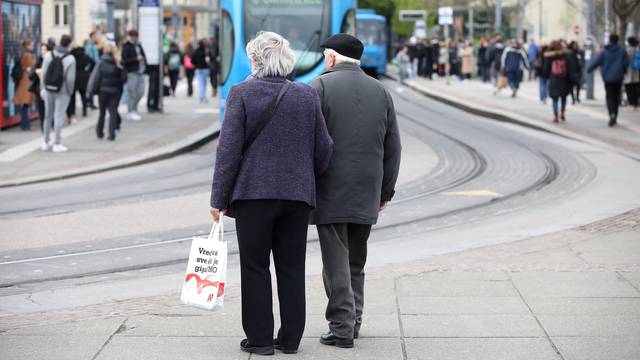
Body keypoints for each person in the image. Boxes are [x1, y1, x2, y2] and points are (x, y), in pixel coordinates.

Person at [209, 31, 333, 356]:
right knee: (292, 268)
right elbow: (325, 149)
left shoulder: (241, 94)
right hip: (296, 197)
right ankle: (290, 339)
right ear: (287, 60)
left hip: (252, 197)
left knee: (255, 267)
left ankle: (261, 340)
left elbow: (228, 152)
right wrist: (304, 176)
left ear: (255, 60)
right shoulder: (306, 95)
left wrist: (218, 199)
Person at [312, 33, 402, 349]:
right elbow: (393, 146)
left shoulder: (320, 87)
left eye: (326, 55)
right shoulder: (381, 92)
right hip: (368, 187)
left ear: (333, 58)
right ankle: (354, 322)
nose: (325, 60)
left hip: (330, 187)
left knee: (335, 261)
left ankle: (341, 327)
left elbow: (312, 143)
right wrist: (386, 191)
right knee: (355, 261)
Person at [41, 34, 76, 153]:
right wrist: (70, 92)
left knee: (48, 115)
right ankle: (57, 143)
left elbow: (44, 73)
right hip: (63, 91)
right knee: (59, 116)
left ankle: (45, 142)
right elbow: (70, 79)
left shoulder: (49, 55)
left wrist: (43, 88)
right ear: (69, 43)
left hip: (49, 89)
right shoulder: (70, 58)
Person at [587, 33, 630, 126]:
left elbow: (596, 62)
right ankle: (615, 115)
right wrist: (624, 71)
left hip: (608, 78)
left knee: (609, 96)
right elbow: (626, 62)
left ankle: (612, 114)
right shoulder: (622, 51)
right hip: (618, 77)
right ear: (617, 40)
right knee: (616, 96)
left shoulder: (604, 51)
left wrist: (589, 69)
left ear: (610, 40)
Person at [87, 44, 125, 141]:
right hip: (115, 91)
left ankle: (100, 132)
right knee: (113, 112)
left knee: (102, 112)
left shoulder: (101, 62)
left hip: (103, 91)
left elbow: (96, 77)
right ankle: (112, 134)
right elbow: (124, 78)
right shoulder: (118, 62)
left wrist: (93, 90)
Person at [543, 40, 572, 123]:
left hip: (553, 79)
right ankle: (562, 113)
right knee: (563, 97)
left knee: (555, 99)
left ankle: (555, 116)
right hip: (564, 79)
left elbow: (546, 69)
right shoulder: (565, 55)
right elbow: (569, 67)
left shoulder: (548, 56)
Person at [121, 29, 147, 121]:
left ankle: (134, 109)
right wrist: (136, 59)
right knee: (132, 92)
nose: (136, 38)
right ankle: (131, 111)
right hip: (132, 72)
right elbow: (124, 60)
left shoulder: (139, 45)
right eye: (134, 36)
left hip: (141, 72)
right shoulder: (127, 46)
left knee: (141, 92)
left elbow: (144, 57)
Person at [66, 43, 95, 121]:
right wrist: (88, 70)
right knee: (83, 95)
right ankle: (84, 111)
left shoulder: (71, 56)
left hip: (74, 76)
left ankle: (73, 112)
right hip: (83, 77)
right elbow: (93, 62)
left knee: (73, 97)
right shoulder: (85, 56)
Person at [14, 39, 36, 131]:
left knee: (25, 105)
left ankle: (25, 124)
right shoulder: (28, 55)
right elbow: (30, 66)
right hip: (27, 81)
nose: (33, 46)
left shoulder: (24, 53)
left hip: (24, 80)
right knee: (25, 104)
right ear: (28, 45)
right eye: (32, 44)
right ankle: (25, 125)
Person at [29, 43, 50, 131]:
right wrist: (36, 72)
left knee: (49, 110)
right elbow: (30, 76)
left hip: (49, 89)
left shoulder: (51, 61)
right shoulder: (38, 61)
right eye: (42, 50)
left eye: (45, 49)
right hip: (39, 90)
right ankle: (43, 128)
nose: (43, 52)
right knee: (41, 110)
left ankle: (49, 126)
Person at [85, 31, 100, 110]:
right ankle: (89, 102)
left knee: (92, 85)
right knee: (91, 85)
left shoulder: (93, 45)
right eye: (95, 36)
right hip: (92, 68)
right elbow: (89, 58)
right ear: (91, 37)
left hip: (95, 67)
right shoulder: (89, 46)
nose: (96, 38)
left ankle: (90, 102)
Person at [193, 39, 211, 103]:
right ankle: (203, 97)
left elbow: (192, 60)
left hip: (198, 69)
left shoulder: (196, 51)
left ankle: (201, 97)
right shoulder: (205, 51)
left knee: (200, 83)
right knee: (204, 83)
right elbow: (210, 59)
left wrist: (196, 64)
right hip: (205, 69)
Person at [624, 37, 639, 110]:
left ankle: (631, 104)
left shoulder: (628, 50)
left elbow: (625, 60)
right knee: (636, 88)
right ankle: (636, 104)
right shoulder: (637, 49)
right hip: (637, 71)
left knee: (629, 88)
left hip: (629, 71)